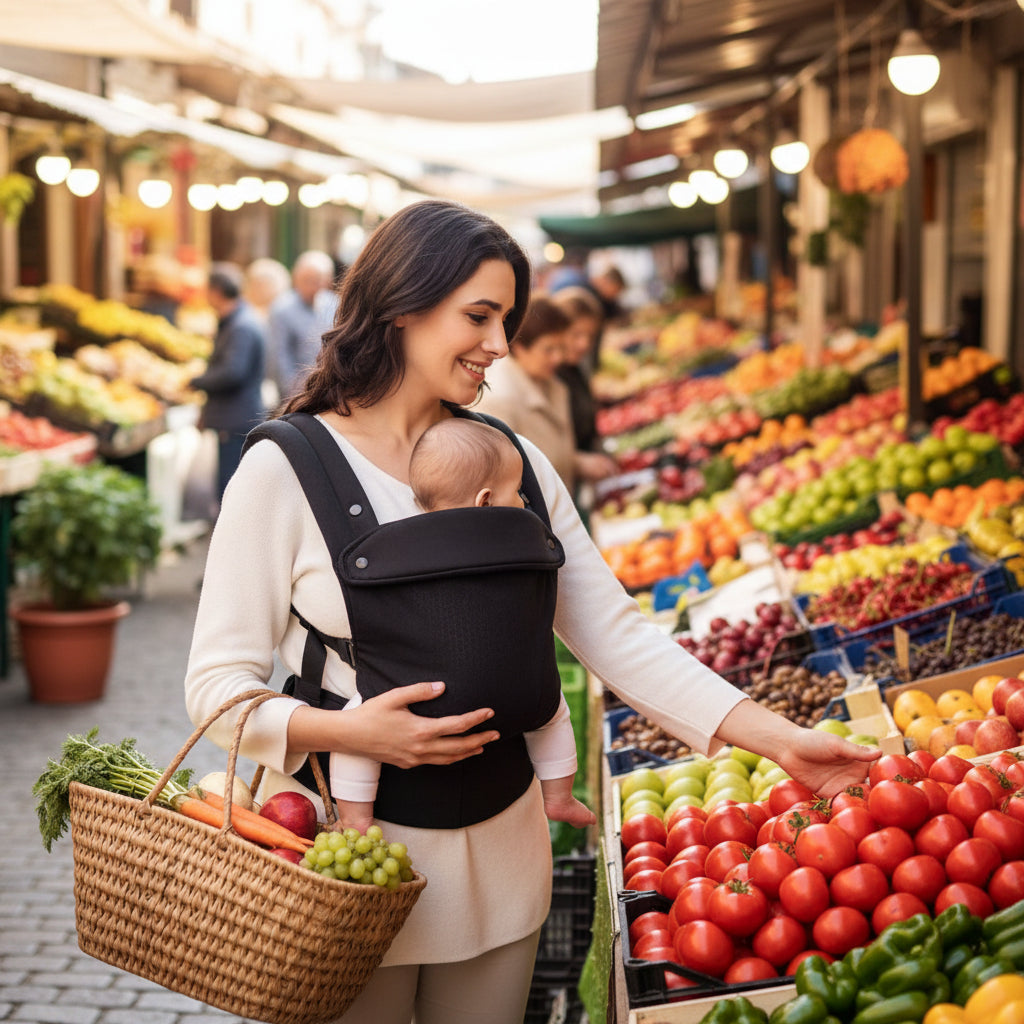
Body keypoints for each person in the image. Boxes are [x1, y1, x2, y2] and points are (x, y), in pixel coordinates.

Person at [184, 199, 878, 1024]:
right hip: (341, 856)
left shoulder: (516, 465)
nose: (500, 345)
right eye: (478, 316)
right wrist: (348, 733)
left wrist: (783, 741)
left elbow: (616, 638)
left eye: (506, 319)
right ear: (402, 307)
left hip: (502, 857)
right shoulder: (283, 467)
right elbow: (215, 687)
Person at [329, 415, 596, 835]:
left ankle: (355, 818)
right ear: (486, 502)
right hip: (522, 692)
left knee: (358, 728)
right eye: (519, 494)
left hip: (418, 698)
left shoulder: (398, 546)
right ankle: (559, 796)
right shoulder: (521, 542)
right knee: (553, 713)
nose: (526, 505)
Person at [474, 293, 615, 493]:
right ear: (520, 347)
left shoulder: (550, 383)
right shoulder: (498, 401)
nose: (558, 358)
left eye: (560, 348)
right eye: (549, 349)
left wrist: (576, 463)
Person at [189, 263, 267, 513]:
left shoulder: (241, 325)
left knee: (231, 487)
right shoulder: (237, 321)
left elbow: (233, 372)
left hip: (235, 419)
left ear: (216, 291)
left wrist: (196, 381)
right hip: (235, 417)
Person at [267, 249, 338, 403]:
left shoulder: (334, 305)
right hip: (296, 396)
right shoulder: (282, 309)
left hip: (330, 393)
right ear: (296, 278)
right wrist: (296, 396)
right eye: (308, 280)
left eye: (319, 280)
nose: (314, 286)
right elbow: (279, 357)